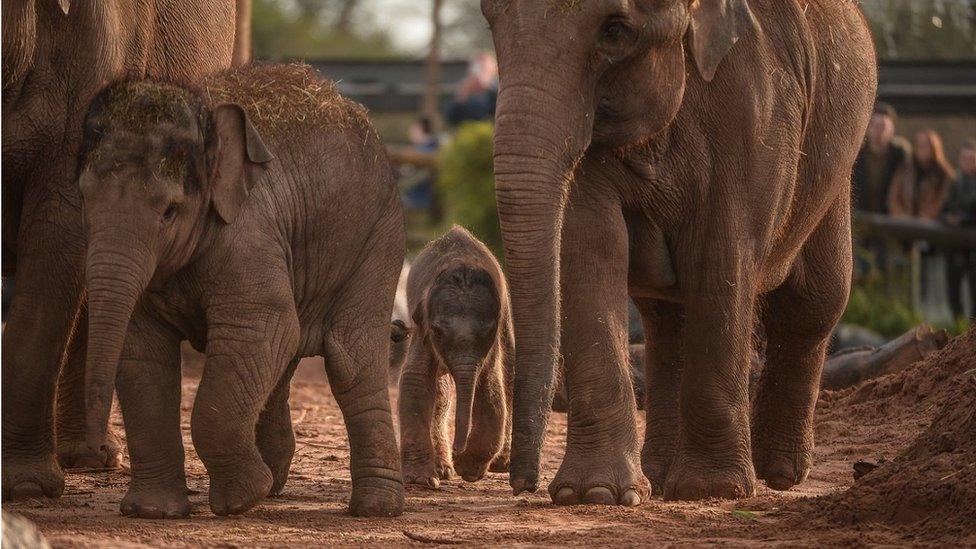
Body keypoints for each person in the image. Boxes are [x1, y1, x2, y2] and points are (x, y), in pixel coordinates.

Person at [852, 103, 913, 215]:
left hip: (890, 215)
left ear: (891, 130)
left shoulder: (899, 153)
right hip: (861, 214)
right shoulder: (857, 153)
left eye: (883, 127)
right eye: (875, 126)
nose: (879, 131)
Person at [941, 138, 976, 320]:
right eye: (965, 159)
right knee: (953, 286)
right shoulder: (956, 182)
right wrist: (948, 218)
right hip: (955, 243)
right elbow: (945, 207)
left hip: (972, 243)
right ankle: (959, 322)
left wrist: (962, 219)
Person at [903, 129, 954, 219]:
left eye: (925, 145)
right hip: (903, 223)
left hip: (930, 226)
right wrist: (901, 216)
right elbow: (894, 196)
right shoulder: (905, 170)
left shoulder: (944, 174)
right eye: (918, 145)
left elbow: (942, 200)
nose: (921, 149)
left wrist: (926, 217)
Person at [445, 52, 498, 127]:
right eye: (477, 67)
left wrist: (488, 87)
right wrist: (463, 95)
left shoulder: (497, 90)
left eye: (483, 68)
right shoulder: (465, 91)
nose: (478, 73)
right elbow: (451, 117)